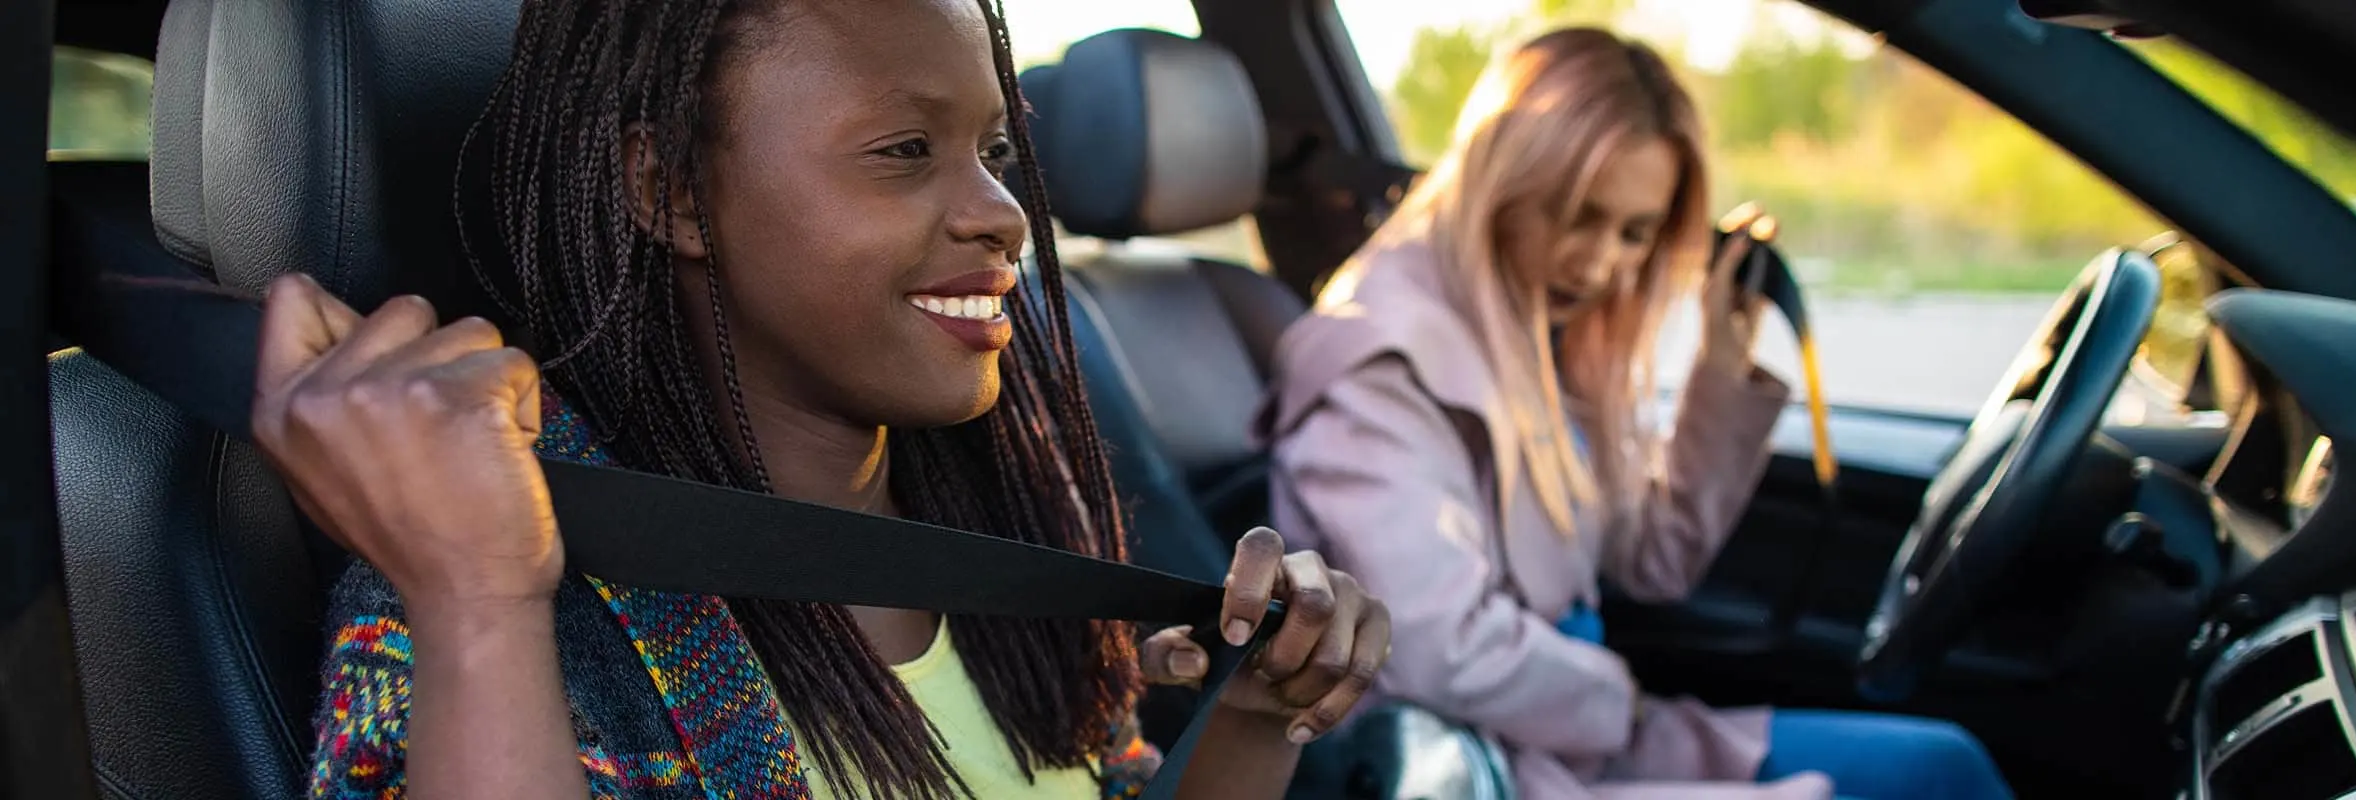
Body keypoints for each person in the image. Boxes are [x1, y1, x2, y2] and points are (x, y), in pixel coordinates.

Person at [254, 1, 1391, 798]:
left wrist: (1251, 715)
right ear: (672, 192)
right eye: (905, 150)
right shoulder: (503, 583)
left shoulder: (1003, 529)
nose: (1000, 211)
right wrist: (477, 597)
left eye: (994, 148)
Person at [1259, 27, 2012, 800]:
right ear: (1502, 180)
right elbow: (1437, 648)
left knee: (1943, 765)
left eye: (1635, 233)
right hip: (1481, 770)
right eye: (1574, 215)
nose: (1598, 264)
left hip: (1570, 738)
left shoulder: (1542, 336)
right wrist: (1616, 697)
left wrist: (1719, 368)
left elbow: (1655, 561)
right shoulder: (1376, 364)